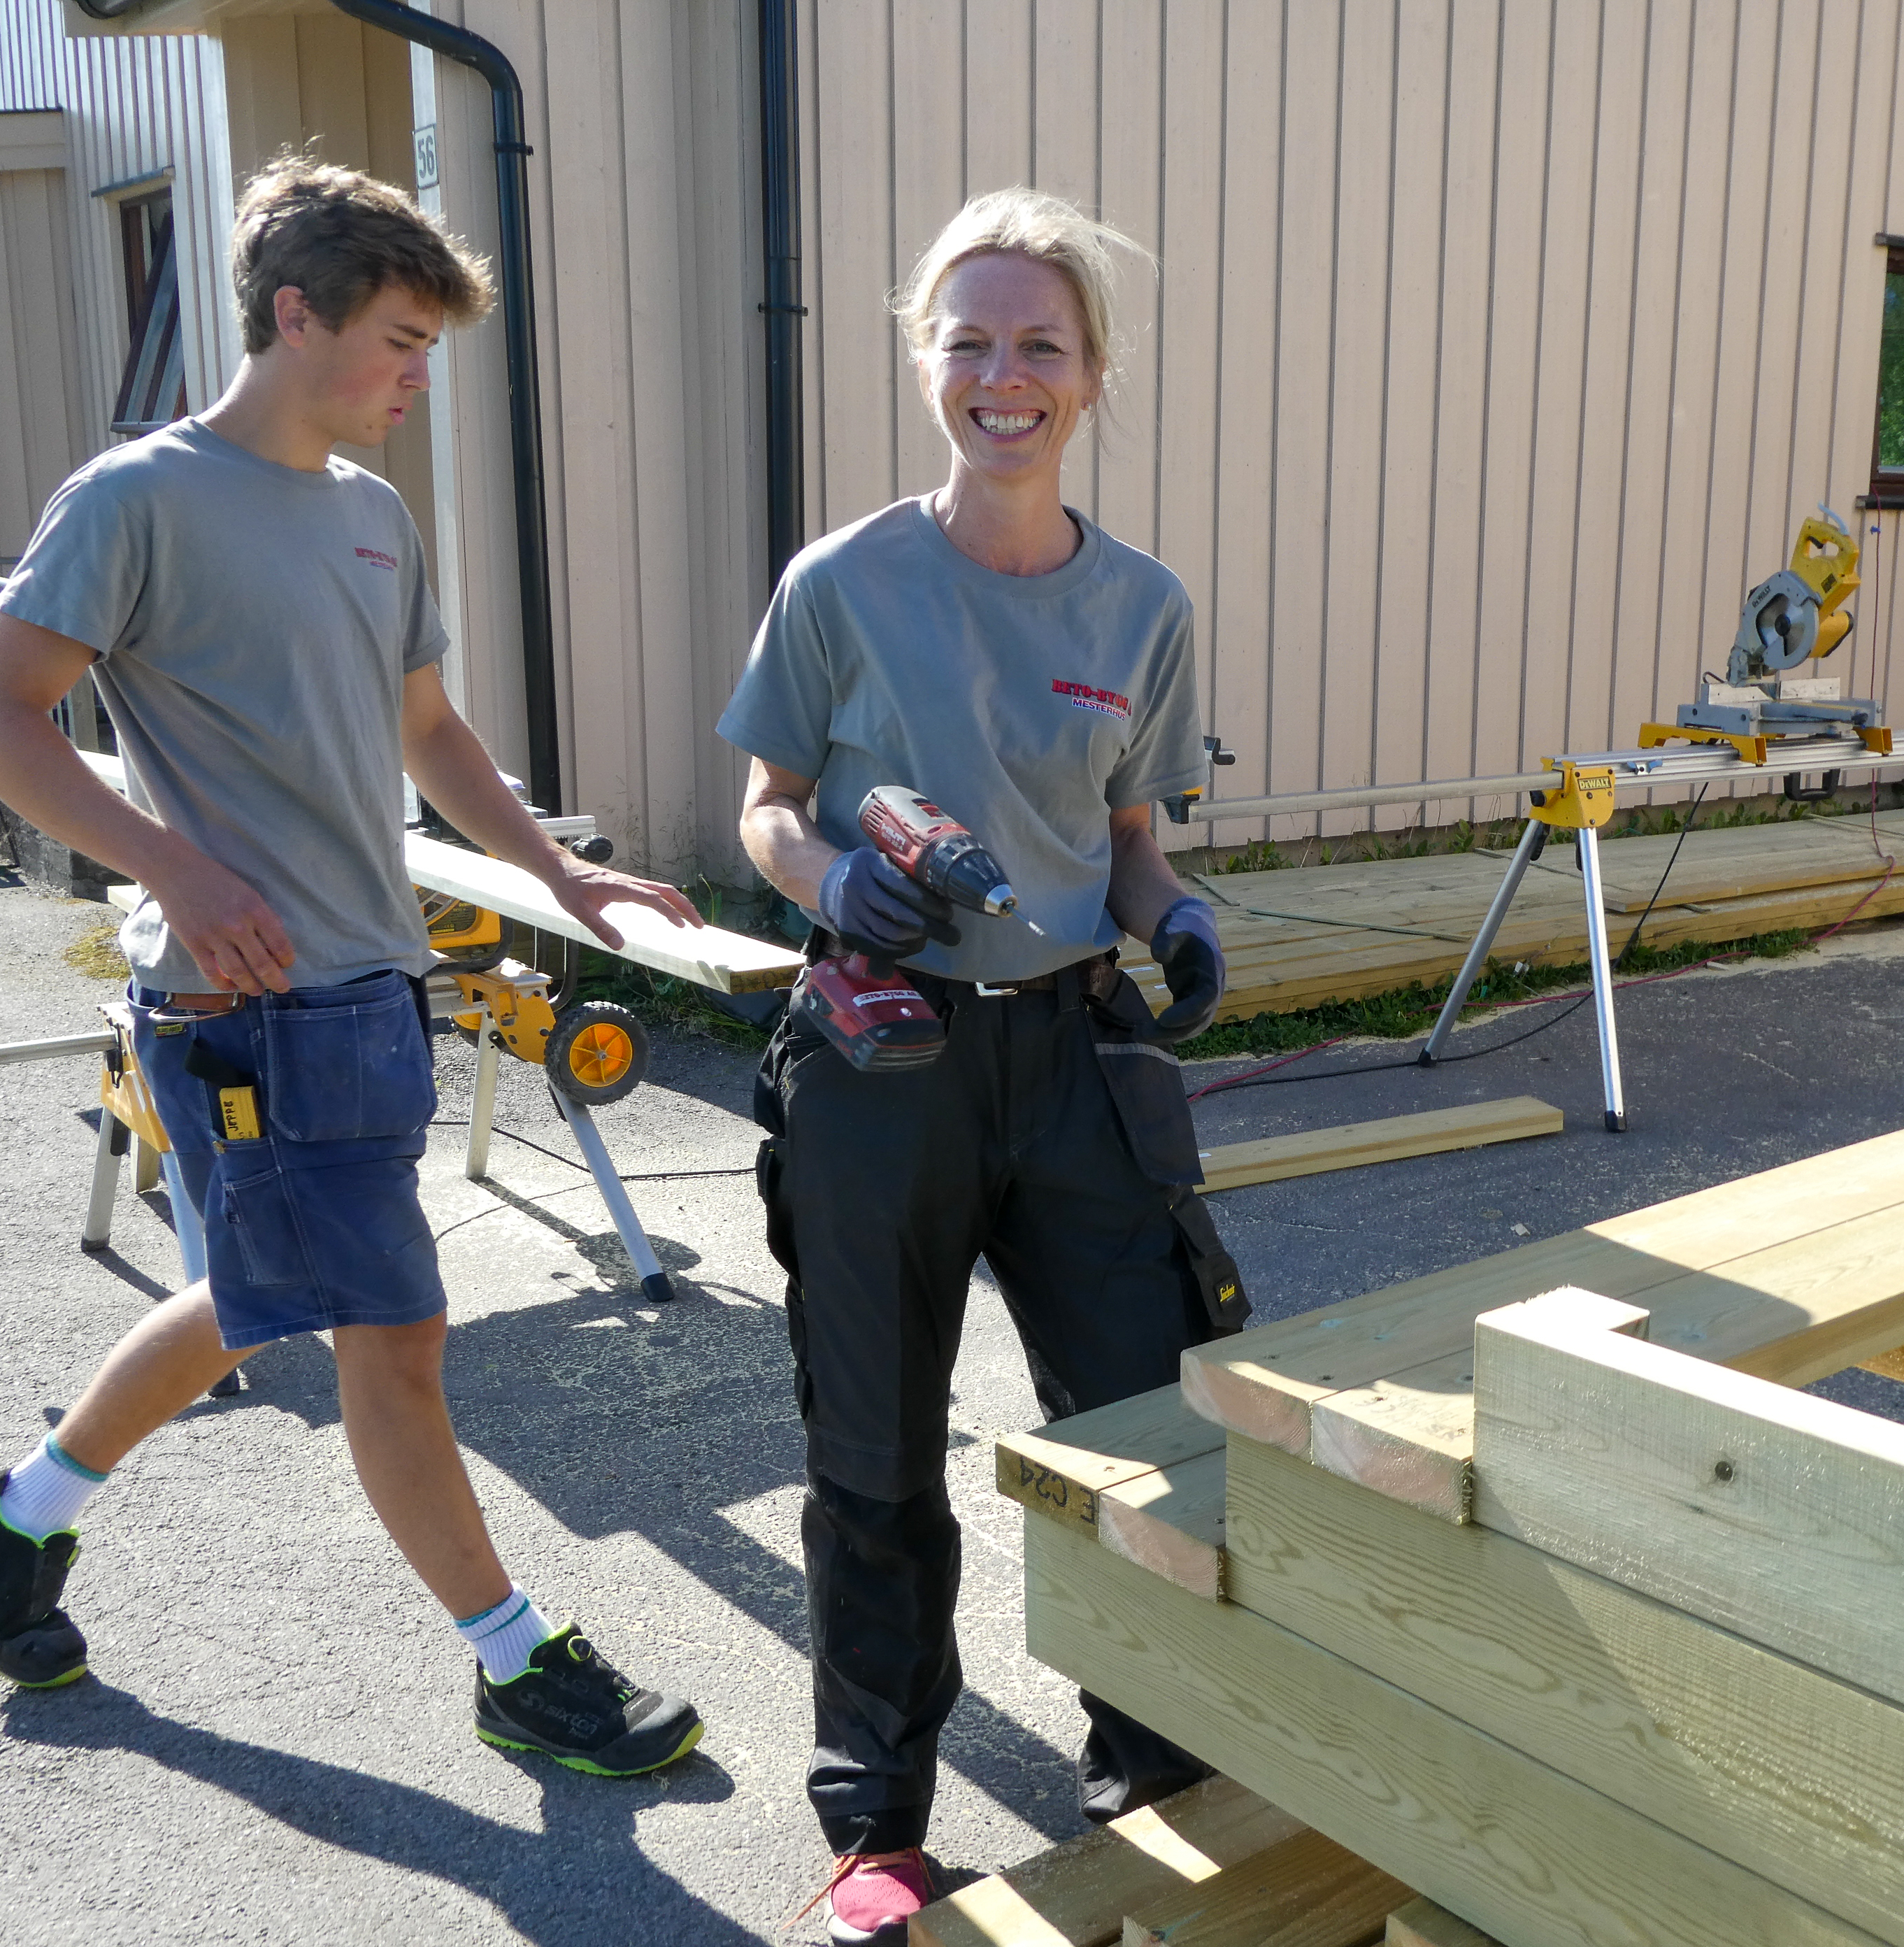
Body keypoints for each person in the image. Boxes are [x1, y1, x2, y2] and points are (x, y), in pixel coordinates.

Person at [0, 158, 706, 1780]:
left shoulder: (371, 517)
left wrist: (552, 871)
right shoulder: (137, 497)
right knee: (396, 1332)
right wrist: (174, 865)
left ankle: (18, 1521)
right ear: (297, 315)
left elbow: (427, 730)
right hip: (244, 1007)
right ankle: (514, 1661)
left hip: (362, 987)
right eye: (404, 341)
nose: (421, 380)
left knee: (255, 1303)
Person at [721, 188, 1247, 1946]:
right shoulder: (844, 581)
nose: (1000, 374)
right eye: (968, 341)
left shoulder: (1144, 606)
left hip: (1074, 1063)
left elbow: (1132, 836)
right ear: (923, 360)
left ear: (1091, 373)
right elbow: (765, 813)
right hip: (883, 1060)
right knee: (871, 1451)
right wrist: (829, 883)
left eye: (1039, 344)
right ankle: (876, 1823)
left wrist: (1169, 921)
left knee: (1139, 1428)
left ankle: (1152, 1774)